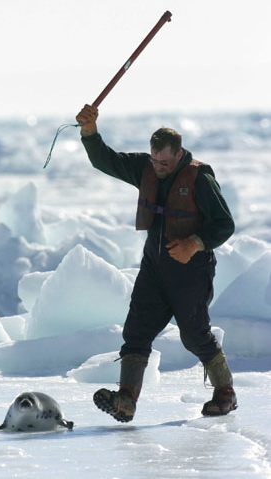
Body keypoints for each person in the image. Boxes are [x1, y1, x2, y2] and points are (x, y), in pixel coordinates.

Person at [76, 104, 237, 422]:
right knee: (136, 332)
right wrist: (90, 131)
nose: (158, 166)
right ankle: (127, 399)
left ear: (178, 155)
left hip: (191, 269)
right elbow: (105, 160)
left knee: (194, 334)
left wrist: (194, 244)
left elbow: (224, 224)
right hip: (154, 267)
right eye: (154, 159)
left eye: (164, 161)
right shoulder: (146, 168)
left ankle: (225, 393)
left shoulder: (199, 177)